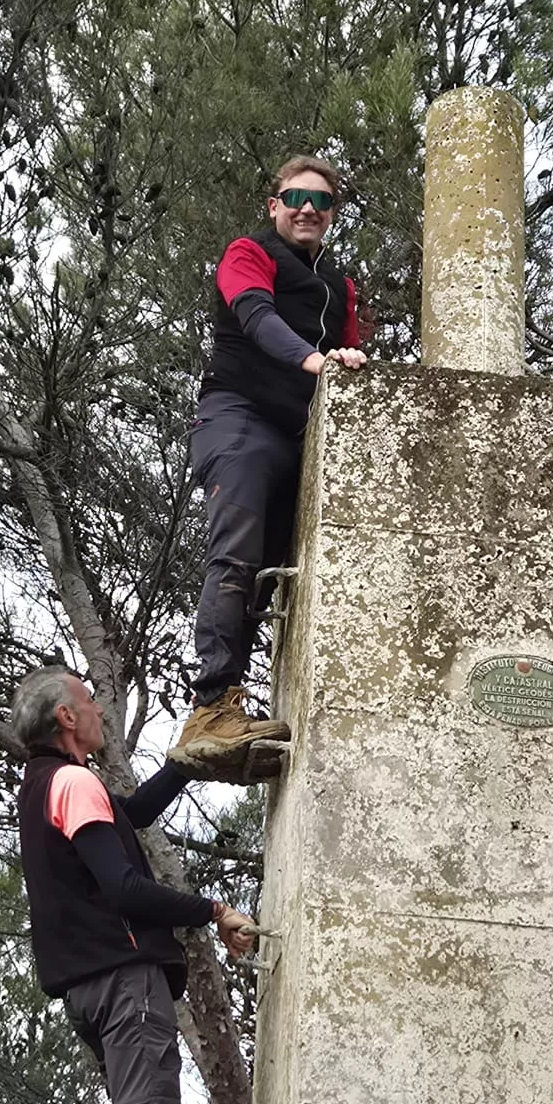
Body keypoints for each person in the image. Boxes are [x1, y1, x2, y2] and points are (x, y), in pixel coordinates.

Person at [11, 664, 266, 1104]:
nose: (99, 711)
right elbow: (124, 886)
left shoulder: (48, 787)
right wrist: (212, 912)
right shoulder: (72, 782)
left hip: (93, 992)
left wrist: (182, 766)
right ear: (66, 719)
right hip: (123, 987)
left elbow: (132, 818)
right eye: (90, 702)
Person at [170, 154, 368, 778]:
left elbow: (355, 352)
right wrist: (313, 361)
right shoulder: (247, 253)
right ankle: (212, 705)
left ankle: (242, 721)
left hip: (300, 437)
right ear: (274, 204)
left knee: (276, 578)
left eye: (321, 200)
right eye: (295, 197)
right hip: (239, 418)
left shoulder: (341, 287)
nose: (308, 208)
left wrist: (353, 367)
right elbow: (255, 316)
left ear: (332, 214)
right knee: (237, 551)